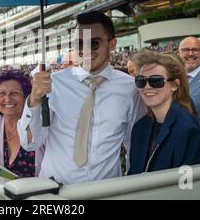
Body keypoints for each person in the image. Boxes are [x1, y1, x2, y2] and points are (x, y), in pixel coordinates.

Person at [17, 11, 145, 185]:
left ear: (112, 44)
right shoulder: (53, 84)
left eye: (93, 43)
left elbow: (134, 143)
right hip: (56, 193)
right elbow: (30, 143)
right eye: (79, 44)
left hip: (106, 191)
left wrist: (132, 186)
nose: (85, 50)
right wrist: (34, 100)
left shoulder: (129, 88)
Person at [127, 51, 200, 175]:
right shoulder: (139, 128)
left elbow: (188, 186)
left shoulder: (187, 129)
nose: (147, 87)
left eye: (156, 81)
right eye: (141, 80)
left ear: (175, 85)